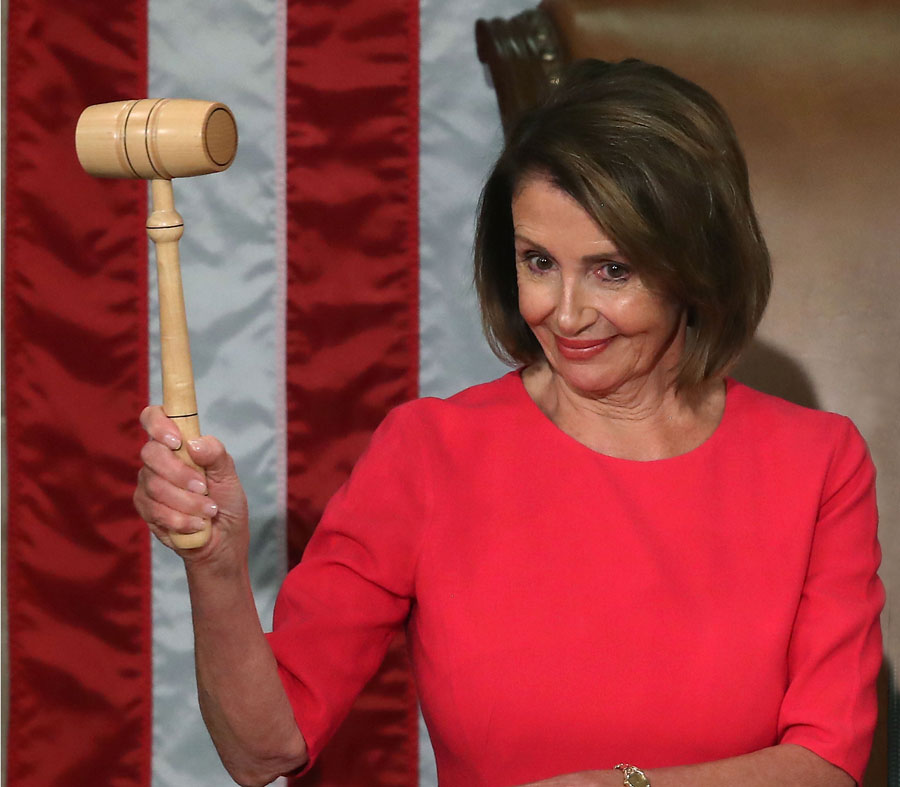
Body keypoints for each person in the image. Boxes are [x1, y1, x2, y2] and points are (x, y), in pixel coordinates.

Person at [134, 59, 883, 787]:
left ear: (697, 263)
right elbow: (263, 749)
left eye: (611, 270)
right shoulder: (430, 451)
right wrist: (217, 566)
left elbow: (827, 763)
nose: (564, 312)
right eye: (537, 261)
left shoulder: (818, 461)